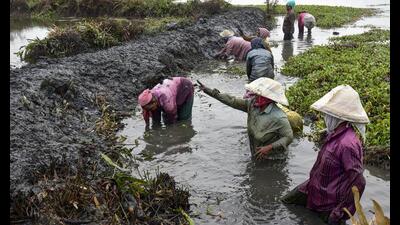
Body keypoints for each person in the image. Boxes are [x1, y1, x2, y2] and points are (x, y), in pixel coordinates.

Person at [281, 85, 369, 225]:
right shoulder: (334, 134)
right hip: (314, 191)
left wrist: (341, 211)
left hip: (329, 205)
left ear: (337, 117)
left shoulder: (348, 144)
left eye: (327, 115)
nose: (324, 117)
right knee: (285, 202)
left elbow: (358, 181)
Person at [198, 77, 294, 159]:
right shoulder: (252, 105)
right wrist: (208, 90)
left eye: (257, 94)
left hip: (274, 158)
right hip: (256, 153)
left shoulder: (279, 117)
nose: (254, 95)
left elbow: (288, 137)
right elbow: (232, 101)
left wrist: (270, 147)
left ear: (267, 99)